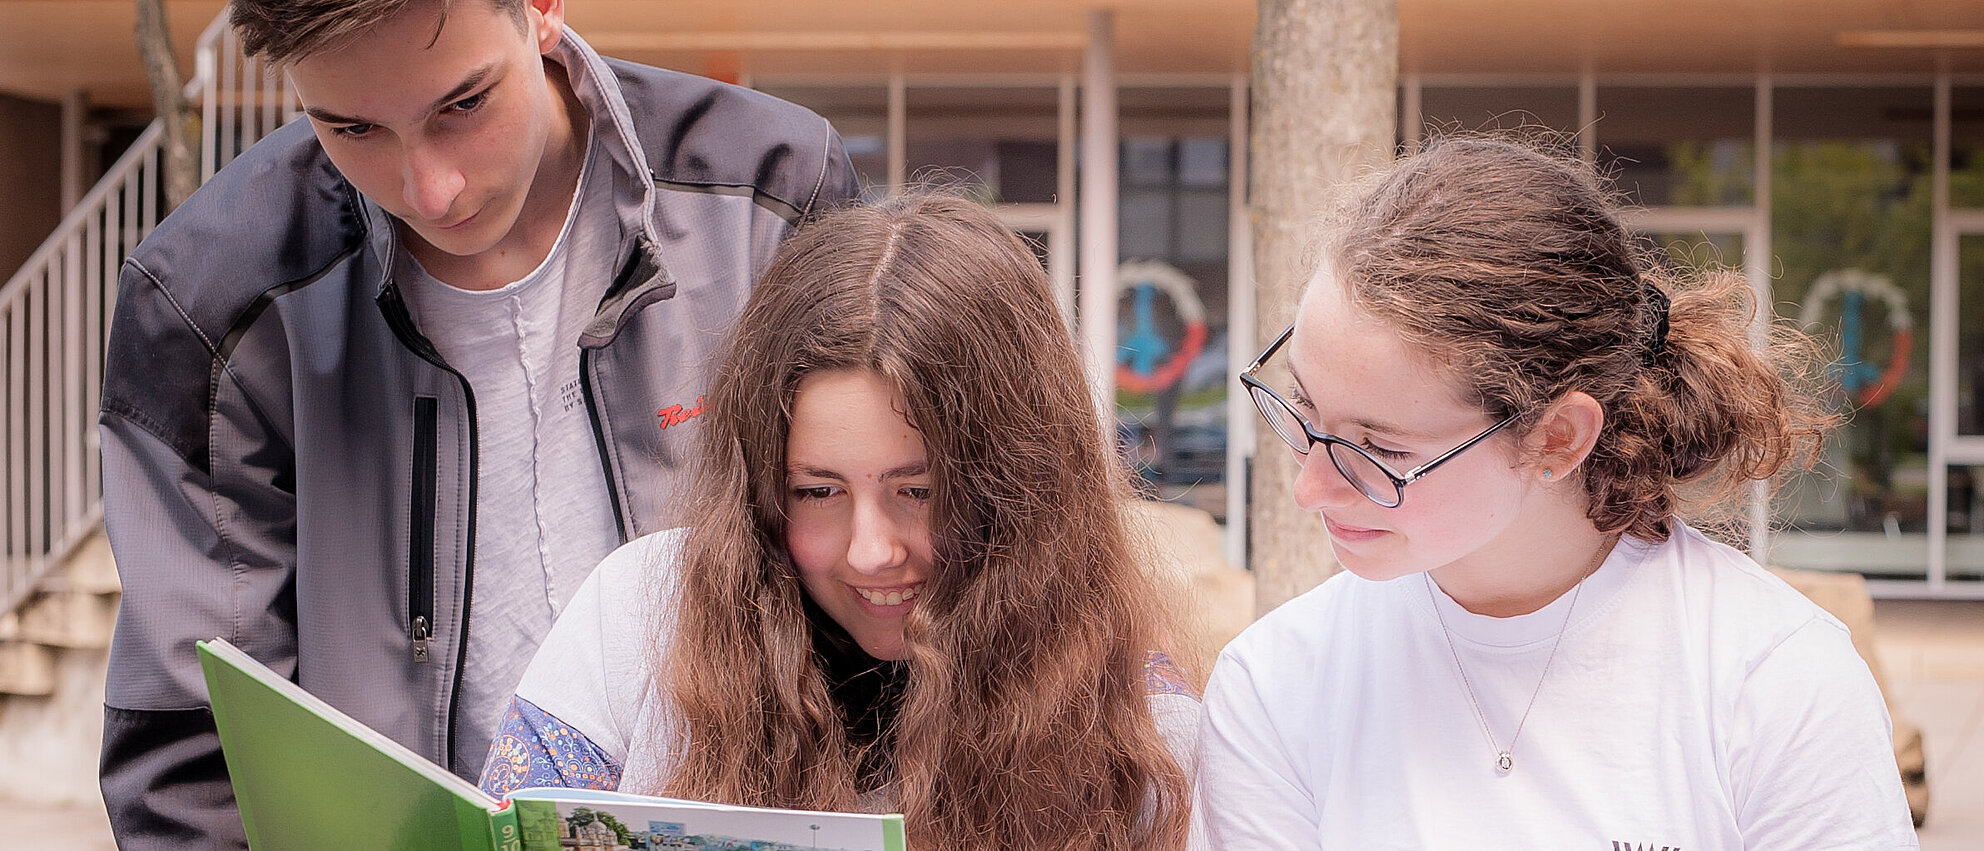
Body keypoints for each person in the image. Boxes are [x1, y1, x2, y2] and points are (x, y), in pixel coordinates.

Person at [95, 0, 858, 846]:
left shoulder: (772, 196)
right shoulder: (211, 305)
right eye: (351, 130)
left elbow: (901, 606)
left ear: (541, 9)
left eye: (462, 105)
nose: (430, 188)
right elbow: (197, 762)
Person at [1199, 137, 1919, 848]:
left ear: (1557, 437)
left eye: (1380, 449)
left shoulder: (1775, 678)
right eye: (1301, 409)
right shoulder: (1275, 687)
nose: (1309, 486)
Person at [475, 194, 1201, 850]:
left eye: (919, 491)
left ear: (1023, 487)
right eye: (818, 493)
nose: (872, 551)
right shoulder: (636, 619)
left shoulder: (1146, 733)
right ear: (760, 490)